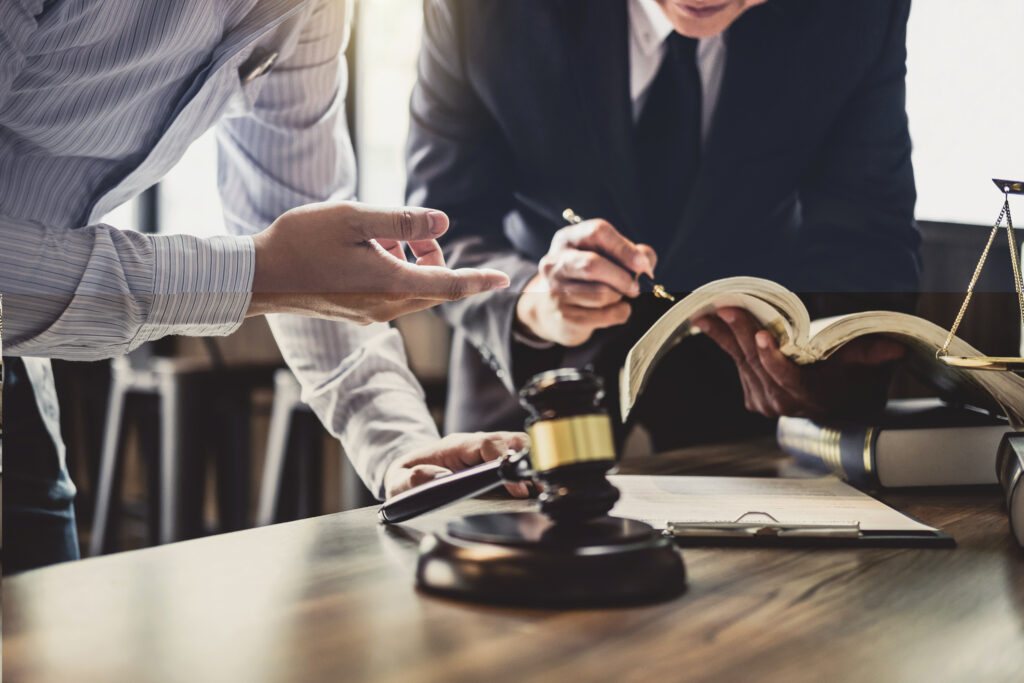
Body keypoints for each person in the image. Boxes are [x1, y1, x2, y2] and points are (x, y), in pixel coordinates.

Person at [0, 0, 526, 573]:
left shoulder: (311, 10)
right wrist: (252, 274)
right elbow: (285, 266)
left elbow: (312, 244)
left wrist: (398, 445)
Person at [406, 0, 921, 447]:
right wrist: (534, 299)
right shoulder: (481, 12)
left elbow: (869, 231)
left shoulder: (859, 12)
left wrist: (829, 369)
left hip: (747, 402)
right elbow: (443, 226)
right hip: (536, 393)